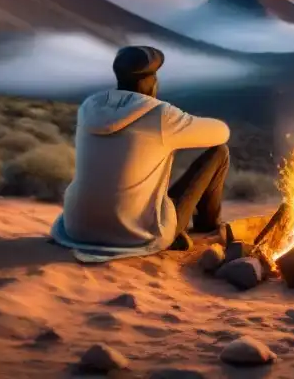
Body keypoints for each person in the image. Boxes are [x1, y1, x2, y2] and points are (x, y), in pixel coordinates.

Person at [51, 45, 231, 262]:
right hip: (134, 235)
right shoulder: (161, 115)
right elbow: (222, 132)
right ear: (151, 82)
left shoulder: (89, 107)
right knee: (220, 153)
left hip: (77, 229)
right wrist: (181, 121)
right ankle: (207, 227)